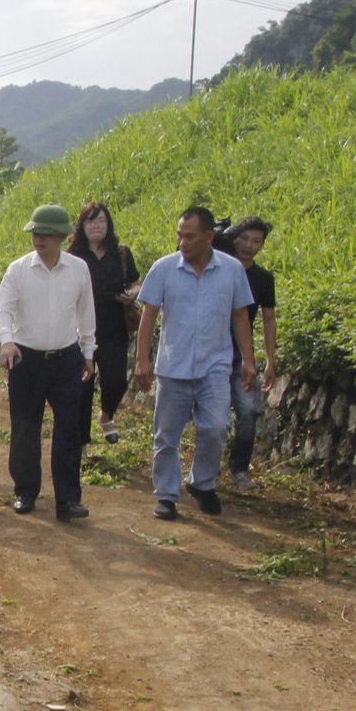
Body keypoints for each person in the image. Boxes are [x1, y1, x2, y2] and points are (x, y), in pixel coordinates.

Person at [133, 206, 257, 520]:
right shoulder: (163, 269)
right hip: (173, 367)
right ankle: (166, 495)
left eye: (189, 236)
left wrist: (249, 361)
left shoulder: (231, 270)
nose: (182, 242)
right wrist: (142, 360)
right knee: (166, 435)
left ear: (209, 237)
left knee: (216, 428)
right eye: (179, 235)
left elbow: (240, 315)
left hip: (215, 366)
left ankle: (202, 483)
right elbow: (148, 315)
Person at [0, 204, 97, 522]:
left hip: (67, 359)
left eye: (46, 234)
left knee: (69, 430)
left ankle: (68, 500)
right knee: (25, 428)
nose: (38, 238)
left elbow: (86, 314)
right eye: (35, 233)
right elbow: (4, 311)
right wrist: (7, 341)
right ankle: (25, 491)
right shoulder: (18, 269)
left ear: (63, 236)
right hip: (27, 360)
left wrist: (89, 352)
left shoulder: (79, 269)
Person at [67, 201, 140, 444]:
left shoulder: (121, 254)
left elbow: (135, 282)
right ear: (82, 225)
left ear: (108, 225)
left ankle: (106, 415)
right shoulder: (72, 257)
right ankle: (82, 442)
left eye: (101, 221)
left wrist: (132, 293)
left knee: (117, 380)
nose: (96, 226)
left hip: (114, 327)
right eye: (91, 221)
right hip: (80, 329)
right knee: (83, 387)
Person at [217, 216, 277, 489]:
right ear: (234, 237)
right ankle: (208, 471)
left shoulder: (263, 279)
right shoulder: (217, 269)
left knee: (249, 411)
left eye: (256, 241)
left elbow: (268, 320)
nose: (248, 245)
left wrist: (270, 362)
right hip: (213, 351)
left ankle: (239, 469)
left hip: (242, 356)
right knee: (213, 416)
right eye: (244, 238)